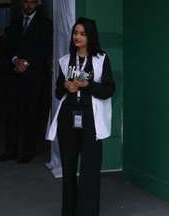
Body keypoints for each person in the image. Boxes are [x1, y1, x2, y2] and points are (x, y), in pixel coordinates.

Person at [46, 18, 115, 216]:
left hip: (91, 120)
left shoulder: (101, 59)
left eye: (83, 33)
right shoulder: (65, 60)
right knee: (68, 169)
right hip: (68, 118)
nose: (77, 37)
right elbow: (58, 92)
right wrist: (65, 86)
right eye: (76, 32)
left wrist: (88, 85)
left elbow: (109, 90)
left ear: (90, 36)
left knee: (90, 171)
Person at [0, 0, 52, 164]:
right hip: (14, 76)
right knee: (12, 113)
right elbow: (8, 47)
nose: (29, 5)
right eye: (26, 2)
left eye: (32, 2)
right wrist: (15, 60)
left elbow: (45, 49)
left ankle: (28, 152)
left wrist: (27, 63)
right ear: (22, 2)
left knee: (31, 114)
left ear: (37, 3)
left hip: (34, 77)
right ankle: (10, 150)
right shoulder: (14, 23)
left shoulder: (45, 25)